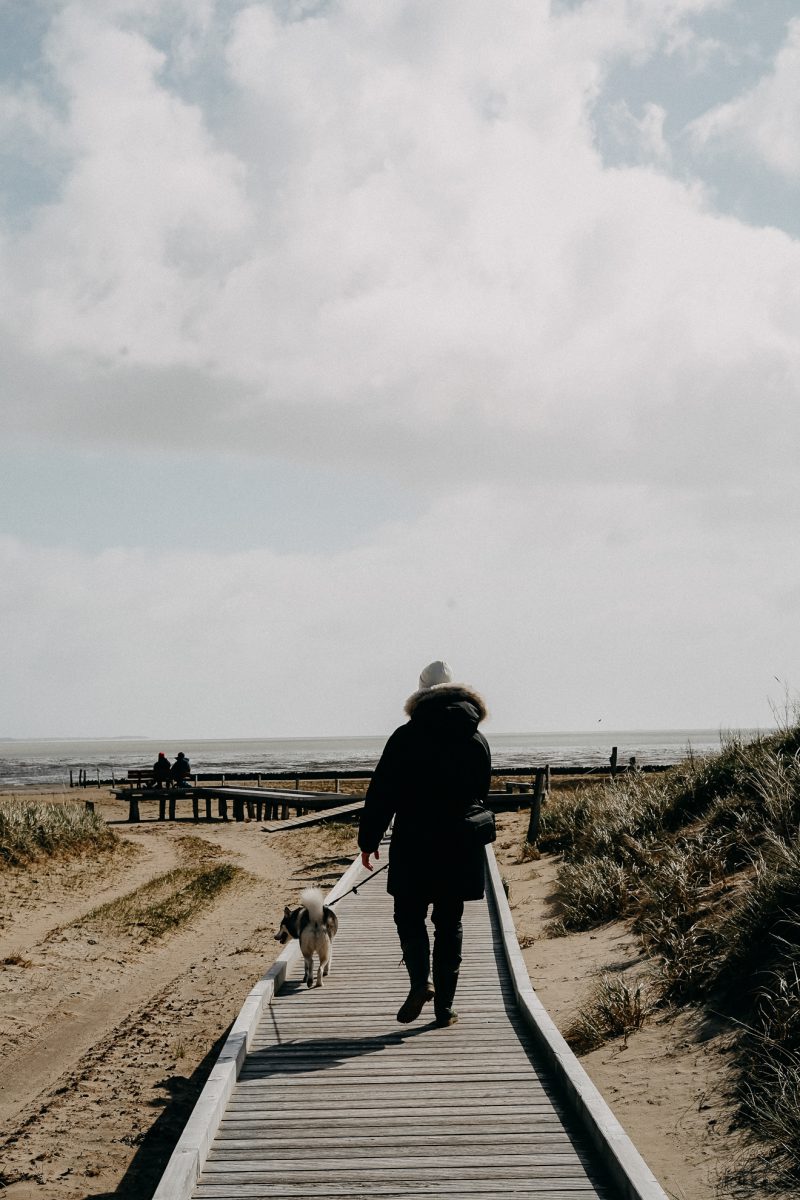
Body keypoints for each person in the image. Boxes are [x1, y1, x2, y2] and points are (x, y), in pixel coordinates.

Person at [358, 660, 491, 1028]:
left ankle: (421, 982)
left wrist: (368, 841)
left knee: (408, 916)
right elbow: (481, 792)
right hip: (459, 844)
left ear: (419, 693)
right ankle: (445, 1009)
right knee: (450, 923)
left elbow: (381, 793)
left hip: (415, 840)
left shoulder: (405, 737)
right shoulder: (475, 737)